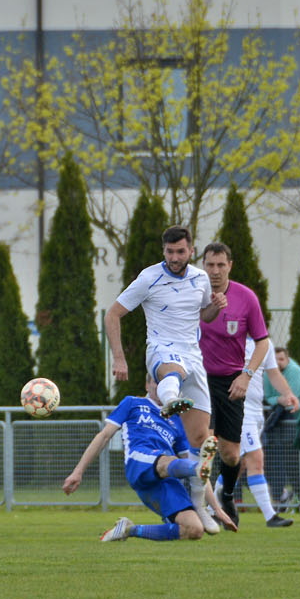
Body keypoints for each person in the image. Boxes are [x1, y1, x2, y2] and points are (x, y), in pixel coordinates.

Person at [104, 225, 224, 532]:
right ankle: (170, 400)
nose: (174, 257)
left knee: (201, 439)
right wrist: (119, 357)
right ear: (163, 251)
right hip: (161, 349)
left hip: (194, 356)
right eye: (169, 252)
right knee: (172, 372)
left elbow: (204, 315)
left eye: (180, 251)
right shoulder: (148, 277)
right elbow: (112, 314)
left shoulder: (200, 278)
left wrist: (215, 307)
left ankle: (199, 502)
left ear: (190, 250)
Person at [62, 376, 233, 540]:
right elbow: (104, 436)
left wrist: (217, 509)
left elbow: (200, 467)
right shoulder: (132, 403)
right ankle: (193, 470)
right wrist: (78, 472)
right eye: (157, 383)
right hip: (139, 462)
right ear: (147, 385)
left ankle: (130, 529)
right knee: (175, 462)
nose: (162, 388)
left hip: (165, 475)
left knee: (194, 529)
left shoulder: (177, 420)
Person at [196, 242, 289, 526]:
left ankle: (225, 496)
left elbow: (263, 342)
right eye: (210, 265)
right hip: (199, 379)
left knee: (232, 454)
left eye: (220, 265)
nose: (215, 271)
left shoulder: (246, 298)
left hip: (232, 381)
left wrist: (246, 375)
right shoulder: (194, 294)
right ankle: (199, 506)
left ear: (230, 266)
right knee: (204, 443)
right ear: (203, 265)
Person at [233, 337, 297, 526]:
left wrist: (288, 394)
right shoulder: (230, 337)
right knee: (256, 459)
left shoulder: (263, 343)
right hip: (239, 410)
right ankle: (270, 516)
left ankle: (212, 508)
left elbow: (274, 373)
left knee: (239, 463)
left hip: (256, 412)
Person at [262, 343, 300, 507]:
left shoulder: (295, 371)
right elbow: (268, 396)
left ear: (288, 359)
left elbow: (293, 399)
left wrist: (282, 400)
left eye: (282, 359)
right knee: (274, 458)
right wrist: (278, 399)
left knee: (295, 461)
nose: (278, 363)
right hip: (281, 420)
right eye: (275, 359)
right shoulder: (268, 373)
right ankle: (281, 497)